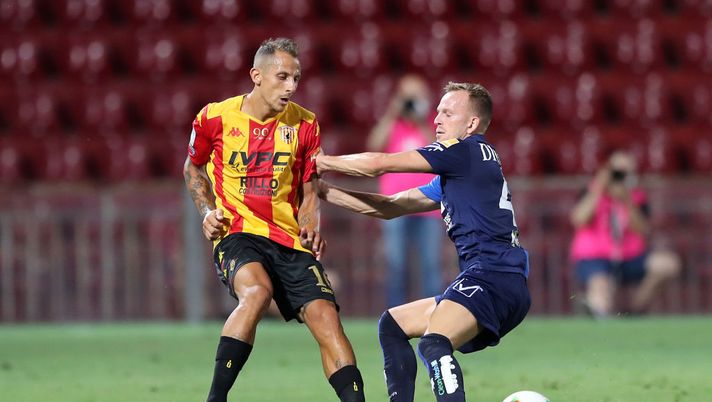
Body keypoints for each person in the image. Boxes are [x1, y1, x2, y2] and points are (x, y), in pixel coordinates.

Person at [316, 82, 530, 402]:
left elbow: (379, 163)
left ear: (471, 123)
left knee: (433, 343)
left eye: (448, 112)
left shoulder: (464, 151)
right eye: (437, 111)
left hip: (492, 275)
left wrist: (322, 162)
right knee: (393, 324)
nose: (436, 119)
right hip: (499, 278)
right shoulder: (462, 169)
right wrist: (325, 191)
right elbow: (390, 207)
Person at [182, 38, 365, 402]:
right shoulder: (214, 117)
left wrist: (312, 223)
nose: (291, 86)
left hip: (289, 239)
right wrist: (206, 212)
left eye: (296, 78)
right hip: (238, 233)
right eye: (282, 77)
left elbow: (310, 189)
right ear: (256, 76)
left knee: (326, 318)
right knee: (256, 292)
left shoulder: (305, 124)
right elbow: (193, 168)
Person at [569, 150, 681, 318]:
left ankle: (634, 311)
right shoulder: (591, 191)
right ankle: (598, 310)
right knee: (600, 285)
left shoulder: (637, 197)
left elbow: (642, 228)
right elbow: (578, 218)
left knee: (667, 264)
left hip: (629, 257)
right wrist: (599, 189)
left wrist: (626, 201)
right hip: (595, 256)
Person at [366, 74, 444, 307]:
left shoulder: (434, 124)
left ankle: (436, 313)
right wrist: (391, 114)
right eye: (406, 96)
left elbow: (440, 152)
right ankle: (395, 315)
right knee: (395, 265)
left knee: (431, 264)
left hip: (428, 206)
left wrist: (421, 121)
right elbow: (374, 145)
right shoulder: (393, 125)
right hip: (395, 206)